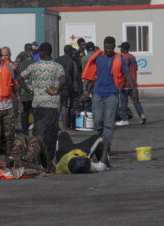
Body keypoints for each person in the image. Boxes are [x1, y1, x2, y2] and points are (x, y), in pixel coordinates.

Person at [82, 36, 137, 171]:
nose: (108, 50)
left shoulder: (119, 59)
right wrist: (86, 91)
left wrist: (134, 89)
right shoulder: (98, 57)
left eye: (111, 48)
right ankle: (102, 148)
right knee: (98, 122)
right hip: (98, 94)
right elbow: (93, 77)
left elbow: (127, 74)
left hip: (112, 95)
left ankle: (105, 157)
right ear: (103, 46)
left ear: (114, 47)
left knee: (108, 124)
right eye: (106, 48)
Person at [18, 42, 65, 160]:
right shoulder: (57, 66)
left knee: (38, 132)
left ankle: (36, 158)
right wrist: (57, 90)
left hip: (38, 104)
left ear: (42, 53)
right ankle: (49, 159)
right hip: (52, 105)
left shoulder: (34, 66)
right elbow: (63, 80)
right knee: (51, 133)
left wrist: (29, 91)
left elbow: (19, 78)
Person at [117, 42, 146, 126]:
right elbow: (135, 69)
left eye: (121, 48)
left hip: (126, 84)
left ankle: (125, 119)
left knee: (124, 103)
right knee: (136, 101)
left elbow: (125, 71)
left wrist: (122, 82)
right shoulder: (133, 57)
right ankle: (142, 115)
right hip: (133, 84)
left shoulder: (124, 58)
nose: (120, 49)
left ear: (124, 48)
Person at [55, 45, 77, 131]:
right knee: (64, 105)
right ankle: (64, 127)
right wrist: (70, 85)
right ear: (71, 51)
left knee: (57, 106)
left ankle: (56, 126)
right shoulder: (70, 61)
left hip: (56, 84)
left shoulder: (57, 59)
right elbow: (67, 74)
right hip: (64, 85)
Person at [15, 43, 35, 132]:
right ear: (25, 48)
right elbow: (16, 65)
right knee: (25, 111)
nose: (29, 50)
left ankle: (30, 130)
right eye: (28, 48)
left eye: (30, 48)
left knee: (32, 110)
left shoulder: (32, 57)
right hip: (24, 87)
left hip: (32, 87)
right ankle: (25, 131)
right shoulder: (22, 54)